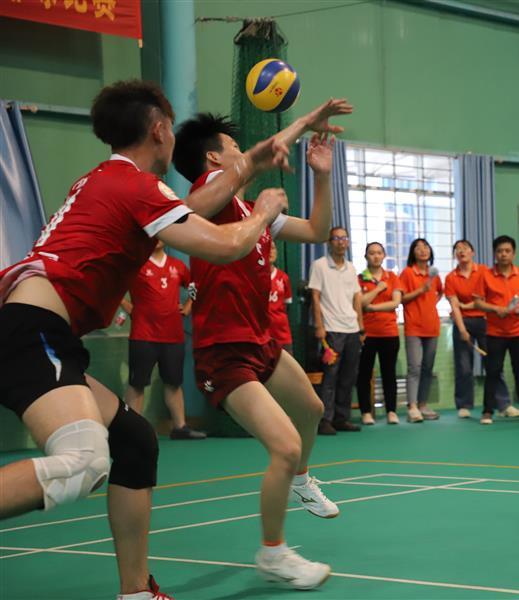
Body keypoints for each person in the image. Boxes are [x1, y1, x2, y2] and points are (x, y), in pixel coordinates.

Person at [0, 80, 293, 599]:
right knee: (82, 462)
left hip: (37, 329)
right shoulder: (137, 187)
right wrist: (265, 210)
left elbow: (195, 205)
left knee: (134, 440)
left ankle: (136, 592)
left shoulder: (108, 180)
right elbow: (225, 243)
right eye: (170, 128)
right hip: (31, 330)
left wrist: (250, 164)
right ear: (159, 129)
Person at [173, 98, 352, 590]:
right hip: (223, 352)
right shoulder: (207, 195)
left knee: (311, 409)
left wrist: (321, 176)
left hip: (261, 342)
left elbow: (316, 230)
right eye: (234, 146)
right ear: (214, 158)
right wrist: (304, 122)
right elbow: (256, 158)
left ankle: (300, 481)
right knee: (285, 445)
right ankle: (272, 553)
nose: (243, 152)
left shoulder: (252, 211)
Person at [121, 239, 205, 440]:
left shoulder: (178, 266)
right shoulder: (136, 264)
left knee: (173, 383)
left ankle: (180, 427)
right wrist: (128, 306)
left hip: (173, 335)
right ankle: (132, 429)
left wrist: (188, 306)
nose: (157, 239)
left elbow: (195, 286)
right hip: (144, 335)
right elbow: (113, 288)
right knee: (137, 383)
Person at [473, 235, 519, 424]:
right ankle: (487, 411)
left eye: (507, 251)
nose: (503, 254)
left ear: (514, 253)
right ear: (495, 254)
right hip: (495, 332)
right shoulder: (485, 275)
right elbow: (477, 302)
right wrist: (495, 309)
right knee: (493, 372)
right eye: (500, 251)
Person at [445, 239, 513, 419]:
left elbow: (486, 299)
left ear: (473, 252)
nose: (462, 251)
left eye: (465, 248)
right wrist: (462, 330)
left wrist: (467, 305)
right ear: (455, 255)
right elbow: (455, 306)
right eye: (458, 249)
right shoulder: (451, 278)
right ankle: (464, 405)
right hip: (462, 323)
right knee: (464, 367)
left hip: (485, 321)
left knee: (493, 364)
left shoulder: (484, 271)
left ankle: (503, 404)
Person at [309, 226, 363, 434]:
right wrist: (319, 325)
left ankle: (342, 418)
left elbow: (357, 298)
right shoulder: (319, 265)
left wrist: (360, 327)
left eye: (344, 238)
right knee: (330, 377)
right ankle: (325, 420)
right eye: (336, 238)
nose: (341, 242)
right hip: (331, 330)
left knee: (348, 377)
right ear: (329, 243)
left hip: (352, 329)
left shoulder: (351, 268)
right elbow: (315, 297)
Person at [356, 242, 401, 425]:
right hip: (367, 333)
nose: (375, 256)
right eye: (372, 253)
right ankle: (366, 412)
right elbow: (360, 303)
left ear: (384, 256)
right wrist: (378, 289)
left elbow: (395, 303)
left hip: (389, 332)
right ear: (366, 256)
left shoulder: (392, 277)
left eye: (379, 253)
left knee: (389, 373)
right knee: (364, 374)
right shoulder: (360, 278)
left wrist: (373, 307)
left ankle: (391, 411)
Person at [398, 238, 443, 422]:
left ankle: (423, 404)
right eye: (418, 248)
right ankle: (412, 407)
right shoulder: (408, 273)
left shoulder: (434, 274)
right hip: (414, 327)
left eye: (426, 247)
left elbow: (440, 292)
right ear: (413, 253)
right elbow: (401, 299)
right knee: (414, 367)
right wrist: (421, 291)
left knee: (427, 368)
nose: (423, 250)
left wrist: (431, 302)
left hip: (432, 326)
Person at [268, 245, 293, 354]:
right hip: (261, 336)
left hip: (281, 335)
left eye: (273, 248)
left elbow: (286, 305)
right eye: (267, 248)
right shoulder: (252, 277)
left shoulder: (283, 278)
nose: (270, 252)